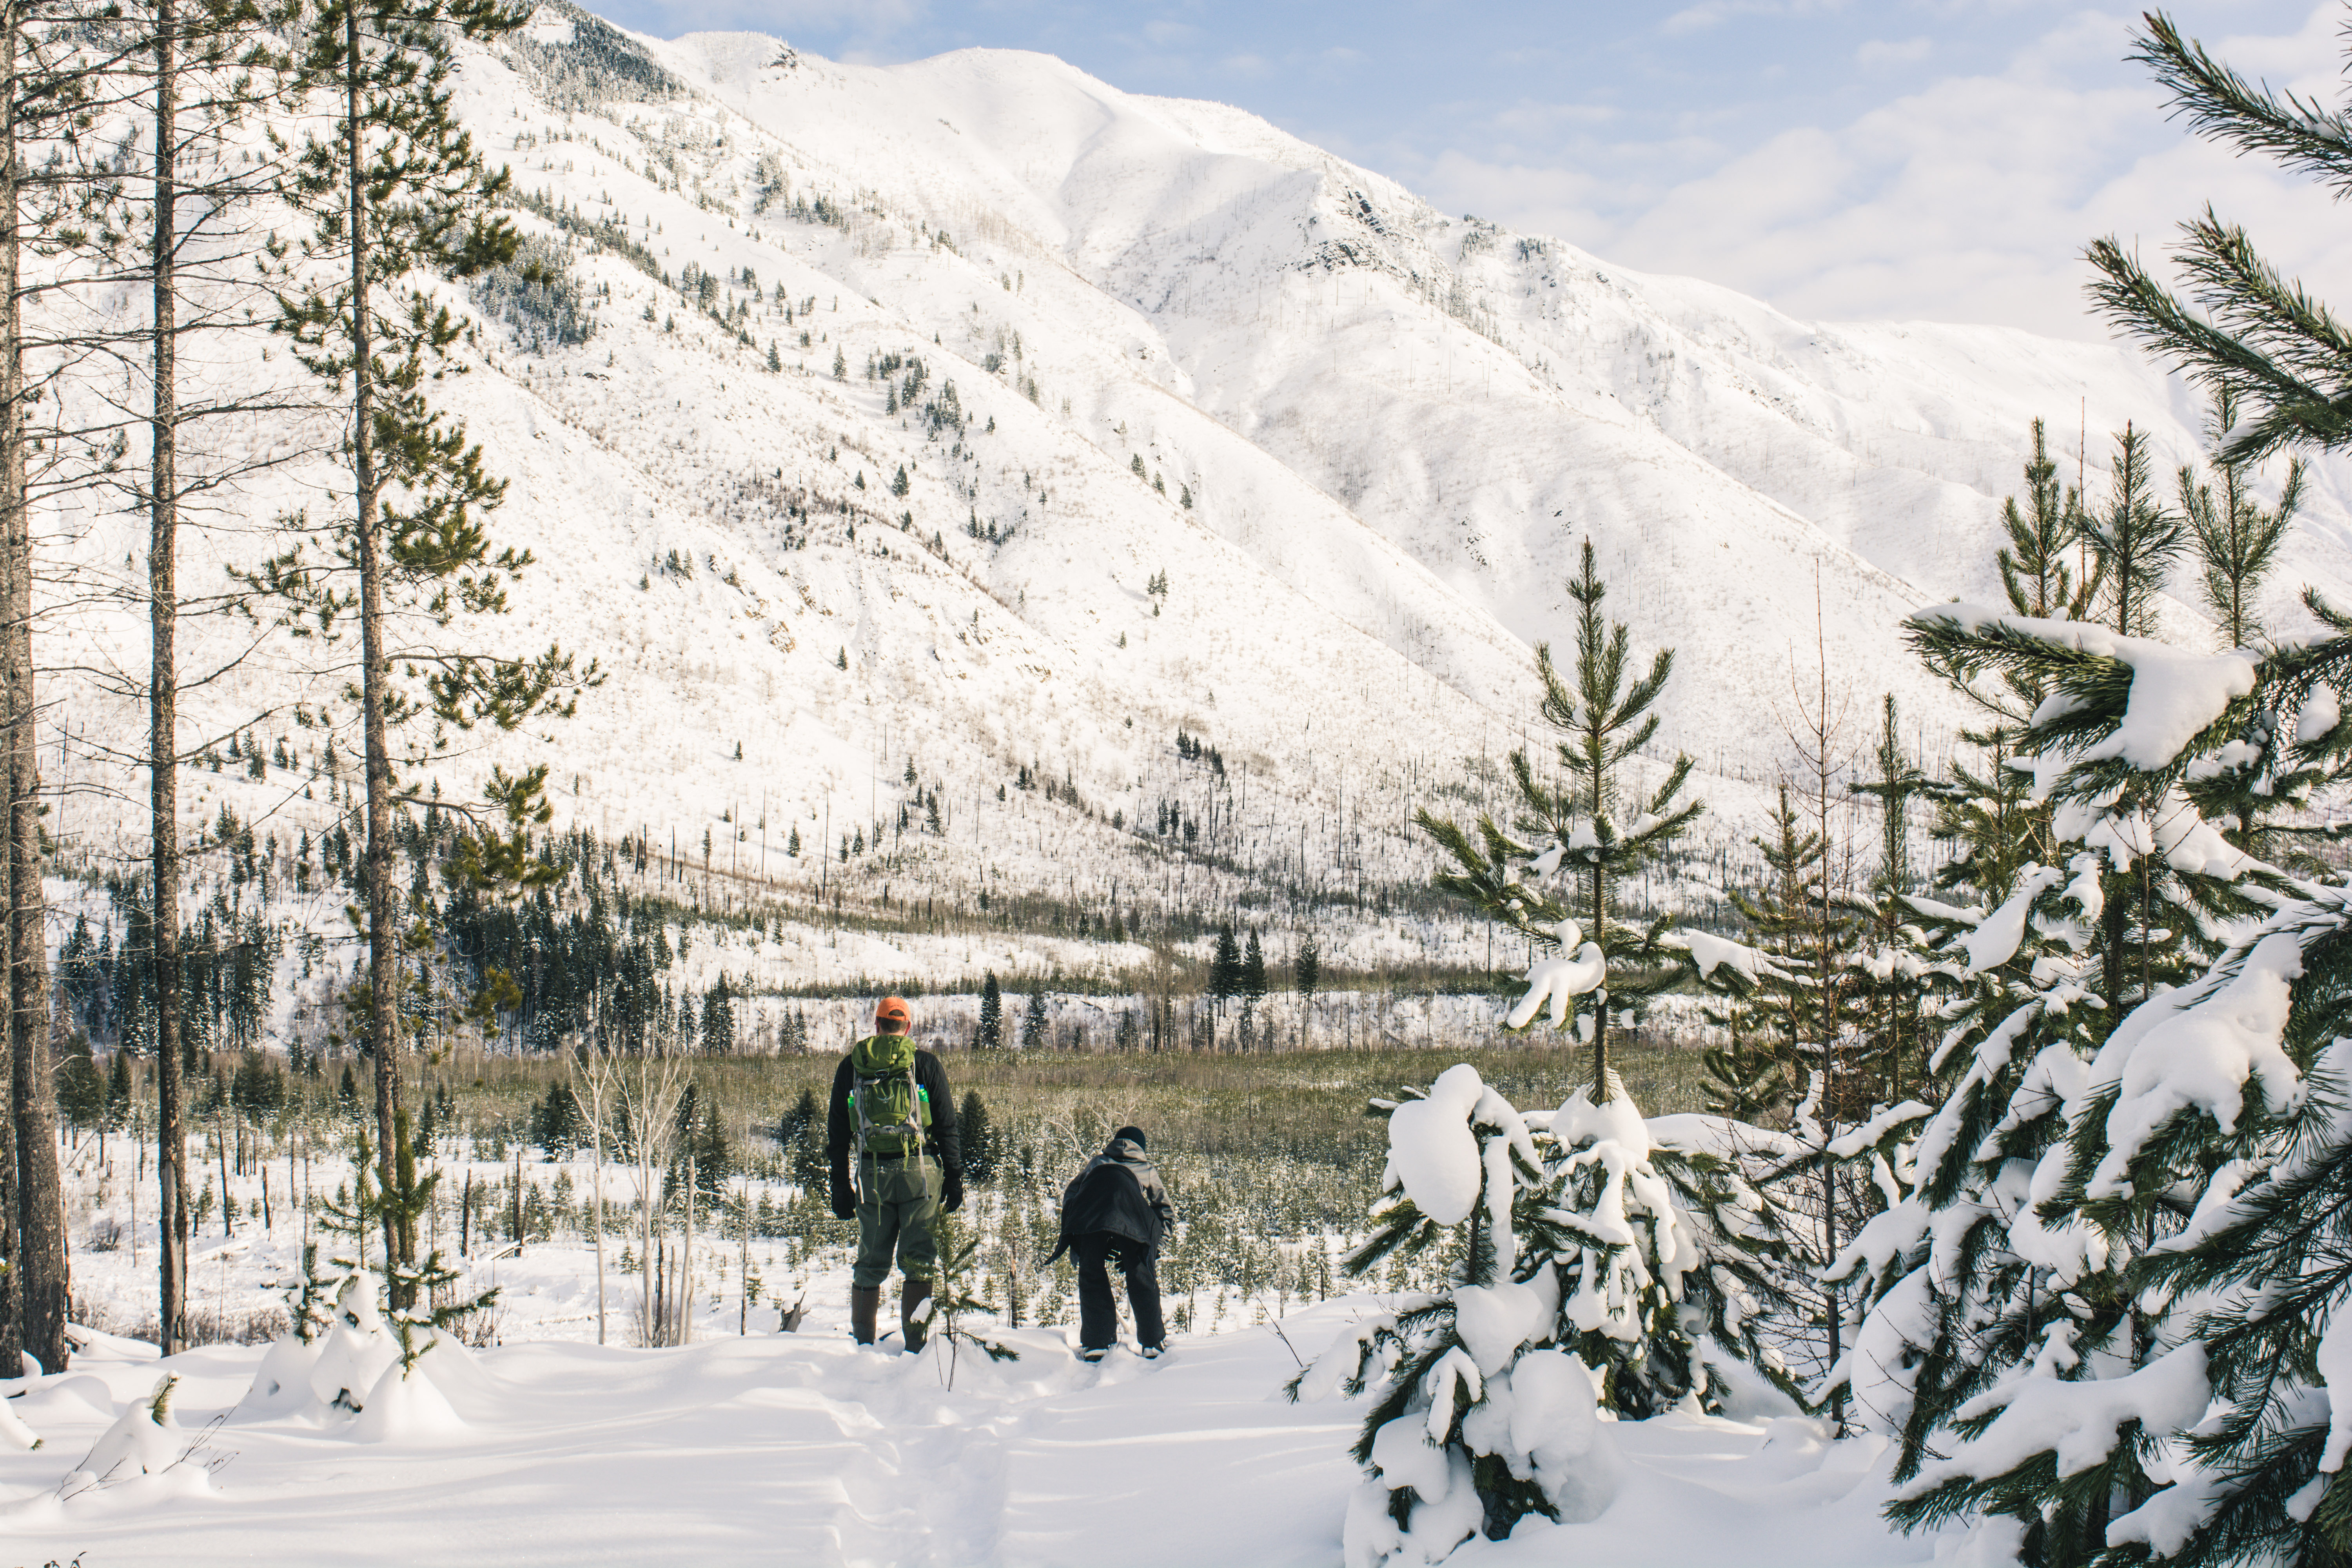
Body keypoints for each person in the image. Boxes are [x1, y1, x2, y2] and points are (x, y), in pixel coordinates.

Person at [828, 996, 962, 1350]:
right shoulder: (925, 1065)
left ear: (876, 1025)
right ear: (908, 1028)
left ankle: (862, 1345)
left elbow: (838, 1133)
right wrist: (955, 1176)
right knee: (919, 1262)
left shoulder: (852, 1067)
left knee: (870, 1259)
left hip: (872, 1175)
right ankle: (916, 1347)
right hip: (920, 1173)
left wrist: (840, 1185)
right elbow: (947, 1125)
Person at [1046, 1125, 1173, 1362]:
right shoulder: (1146, 1168)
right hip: (1131, 1217)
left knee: (1091, 1270)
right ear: (1141, 1148)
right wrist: (1153, 1248)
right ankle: (1153, 1342)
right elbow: (1165, 1210)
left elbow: (1072, 1193)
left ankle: (1097, 1342)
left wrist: (1081, 1233)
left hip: (1092, 1216)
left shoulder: (1097, 1162)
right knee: (1140, 1273)